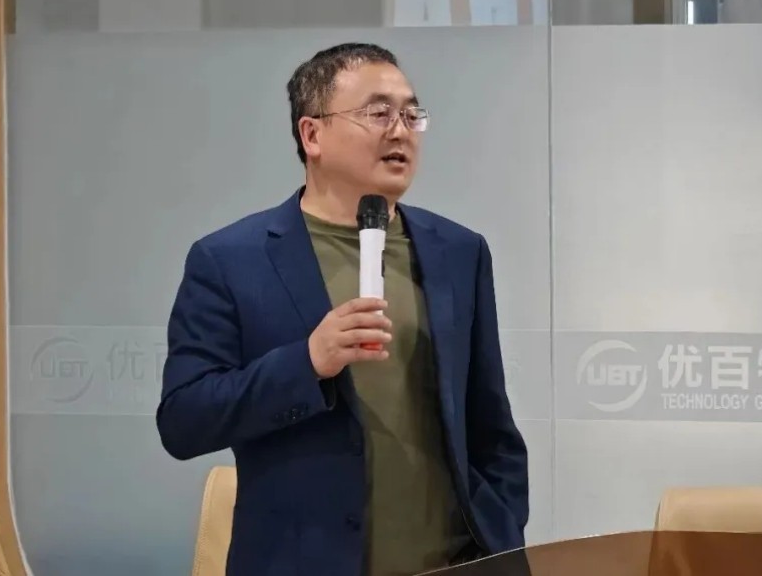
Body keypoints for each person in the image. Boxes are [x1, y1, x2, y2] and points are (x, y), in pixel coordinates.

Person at [156, 43, 529, 576]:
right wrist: (307, 361)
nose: (400, 131)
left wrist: (501, 534)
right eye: (378, 113)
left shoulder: (459, 251)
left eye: (411, 115)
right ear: (312, 135)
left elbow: (491, 426)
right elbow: (184, 420)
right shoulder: (230, 260)